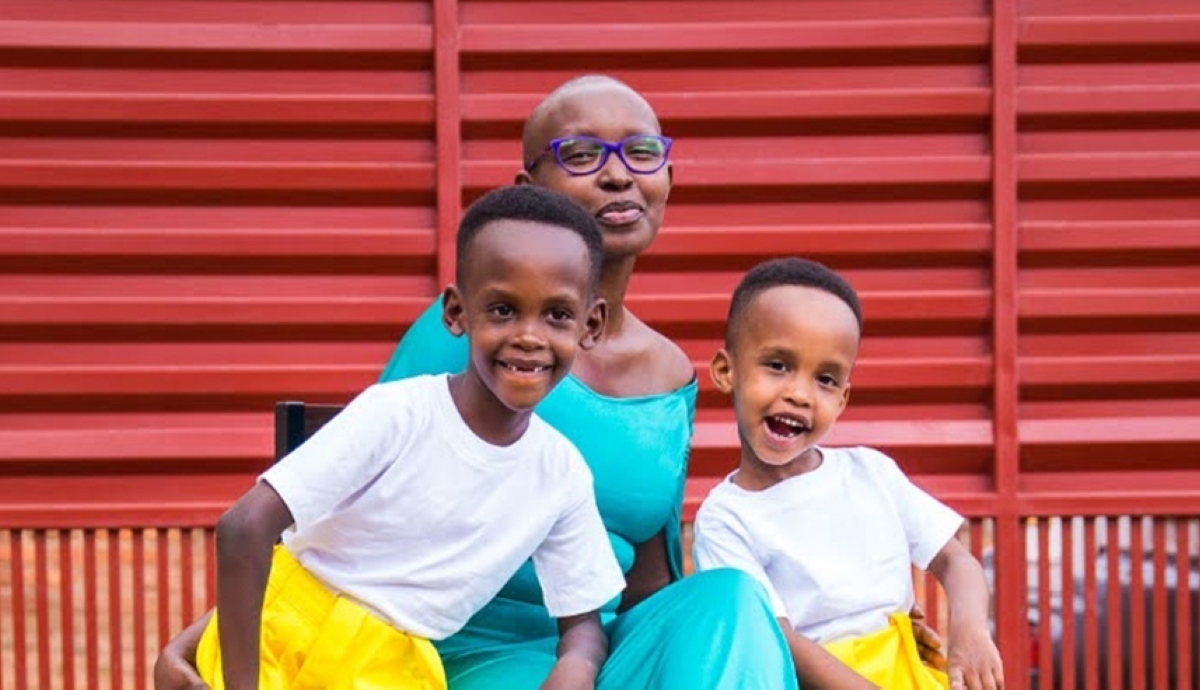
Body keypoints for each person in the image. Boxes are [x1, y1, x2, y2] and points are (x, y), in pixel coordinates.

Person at [157, 75, 938, 689]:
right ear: (528, 182)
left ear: (669, 176)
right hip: (448, 645)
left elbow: (656, 575)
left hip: (590, 644)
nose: (617, 177)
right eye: (581, 155)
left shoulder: (671, 371)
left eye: (641, 153)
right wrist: (208, 640)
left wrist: (840, 632)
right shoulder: (465, 338)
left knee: (730, 598)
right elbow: (333, 509)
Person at [194, 185, 628, 689]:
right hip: (286, 631)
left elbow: (584, 625)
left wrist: (573, 670)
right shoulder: (399, 414)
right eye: (503, 310)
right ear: (456, 312)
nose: (529, 336)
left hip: (394, 667)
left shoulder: (560, 472)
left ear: (590, 325)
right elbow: (244, 527)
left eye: (556, 314)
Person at [692, 257, 1004, 690]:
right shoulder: (726, 518)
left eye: (825, 379)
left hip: (907, 671)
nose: (800, 394)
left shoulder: (870, 473)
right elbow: (776, 639)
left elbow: (956, 561)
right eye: (778, 365)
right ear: (727, 372)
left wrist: (970, 632)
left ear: (843, 398)